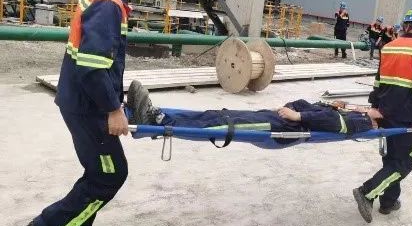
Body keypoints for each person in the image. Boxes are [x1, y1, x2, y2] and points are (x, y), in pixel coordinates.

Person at [17, 0, 148, 226]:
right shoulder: (107, 4)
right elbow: (92, 67)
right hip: (89, 106)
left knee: (99, 171)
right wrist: (113, 109)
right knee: (109, 174)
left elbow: (97, 62)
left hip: (81, 101)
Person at [352, 6, 412, 223]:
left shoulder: (389, 47)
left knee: (391, 160)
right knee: (405, 162)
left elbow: (378, 82)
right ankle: (367, 192)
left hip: (384, 114)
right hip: (406, 118)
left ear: (406, 25)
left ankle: (388, 202)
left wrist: (374, 109)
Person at [126, 81, 382, 142]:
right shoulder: (354, 113)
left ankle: (158, 123)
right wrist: (293, 108)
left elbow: (332, 124)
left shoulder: (362, 124)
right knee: (219, 115)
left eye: (375, 109)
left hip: (282, 129)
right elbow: (305, 103)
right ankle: (160, 116)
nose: (369, 107)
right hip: (278, 119)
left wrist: (298, 115)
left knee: (222, 126)